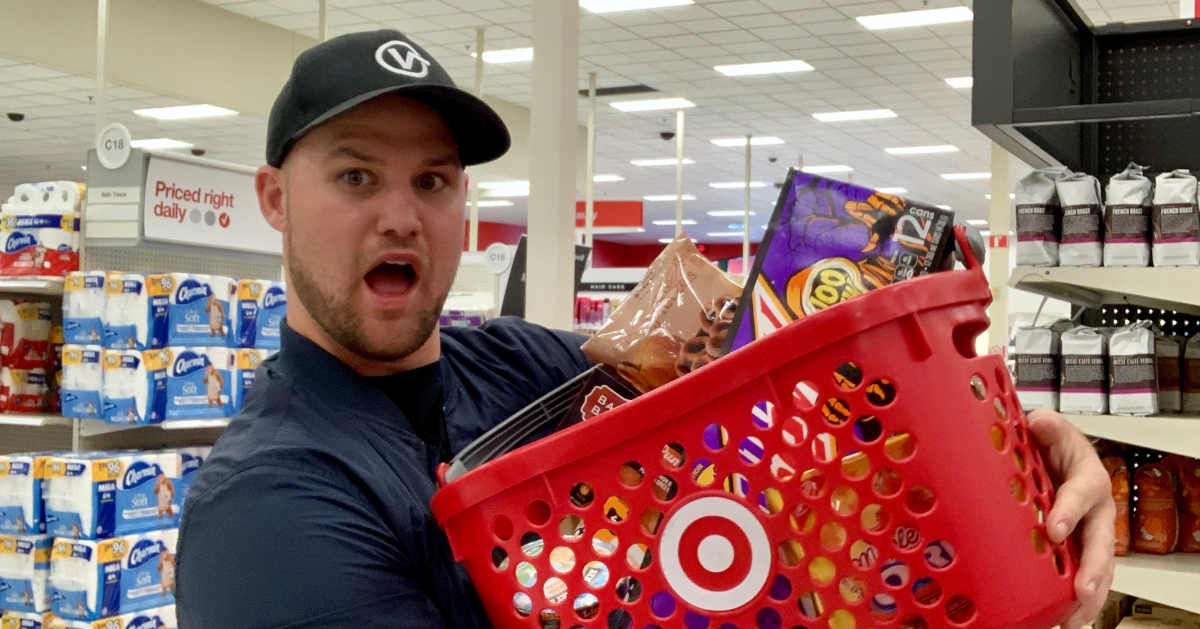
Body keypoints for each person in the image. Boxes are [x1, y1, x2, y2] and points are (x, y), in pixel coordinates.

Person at [176, 29, 1115, 629]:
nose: (400, 215)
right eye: (354, 176)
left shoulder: (527, 364)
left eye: (432, 180)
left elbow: (797, 457)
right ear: (273, 199)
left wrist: (1025, 464)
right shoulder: (267, 509)